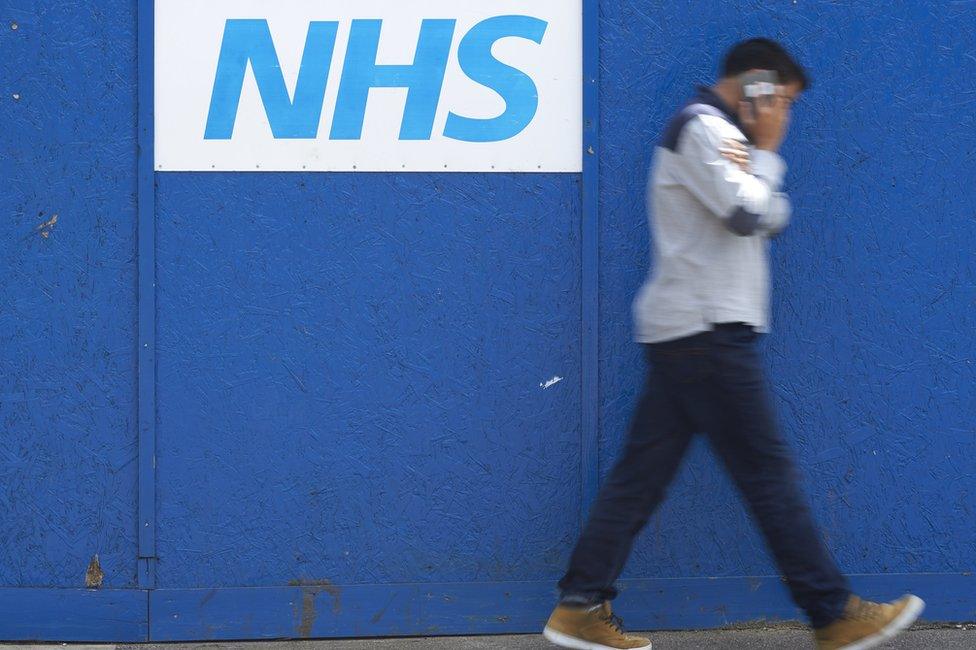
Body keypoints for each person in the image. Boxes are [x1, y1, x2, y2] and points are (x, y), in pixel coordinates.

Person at [542, 38, 925, 650]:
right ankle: (831, 612)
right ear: (757, 86)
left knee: (640, 478)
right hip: (708, 333)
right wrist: (768, 155)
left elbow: (760, 213)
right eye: (784, 101)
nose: (785, 116)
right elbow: (751, 214)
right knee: (767, 477)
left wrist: (763, 181)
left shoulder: (717, 136)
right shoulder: (705, 129)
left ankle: (580, 604)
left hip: (691, 332)